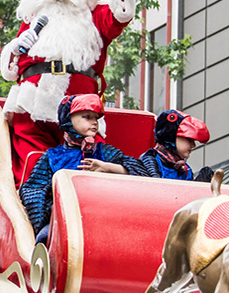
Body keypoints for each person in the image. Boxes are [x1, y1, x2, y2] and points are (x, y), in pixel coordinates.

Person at [0, 0, 144, 185]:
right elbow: (11, 69)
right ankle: (36, 215)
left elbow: (117, 18)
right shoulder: (35, 19)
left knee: (88, 167)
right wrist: (15, 46)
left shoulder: (93, 16)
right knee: (34, 167)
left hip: (80, 106)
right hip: (33, 106)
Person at [19, 94, 149, 243]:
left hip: (104, 218)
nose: (94, 123)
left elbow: (141, 173)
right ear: (68, 119)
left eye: (96, 118)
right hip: (64, 219)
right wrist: (52, 209)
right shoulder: (53, 156)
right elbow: (33, 189)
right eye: (87, 117)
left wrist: (107, 167)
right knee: (45, 238)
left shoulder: (104, 151)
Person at [140, 109, 213, 182]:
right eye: (188, 139)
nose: (193, 145)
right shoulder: (149, 161)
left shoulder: (185, 169)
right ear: (171, 137)